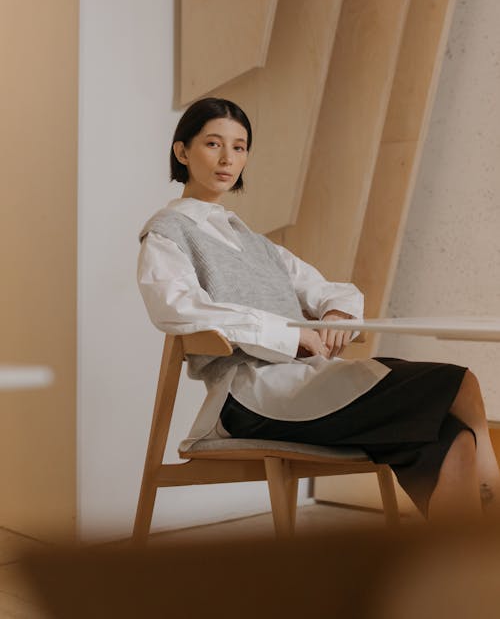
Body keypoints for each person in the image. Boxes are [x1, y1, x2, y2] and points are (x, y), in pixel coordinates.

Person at [137, 97, 500, 521]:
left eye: (239, 147)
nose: (227, 158)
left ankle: (455, 567)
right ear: (183, 152)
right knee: (452, 383)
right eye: (213, 144)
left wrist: (334, 318)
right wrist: (292, 337)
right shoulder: (166, 235)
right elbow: (179, 310)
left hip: (307, 385)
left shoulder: (255, 243)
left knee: (449, 436)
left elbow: (332, 291)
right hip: (250, 399)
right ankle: (491, 485)